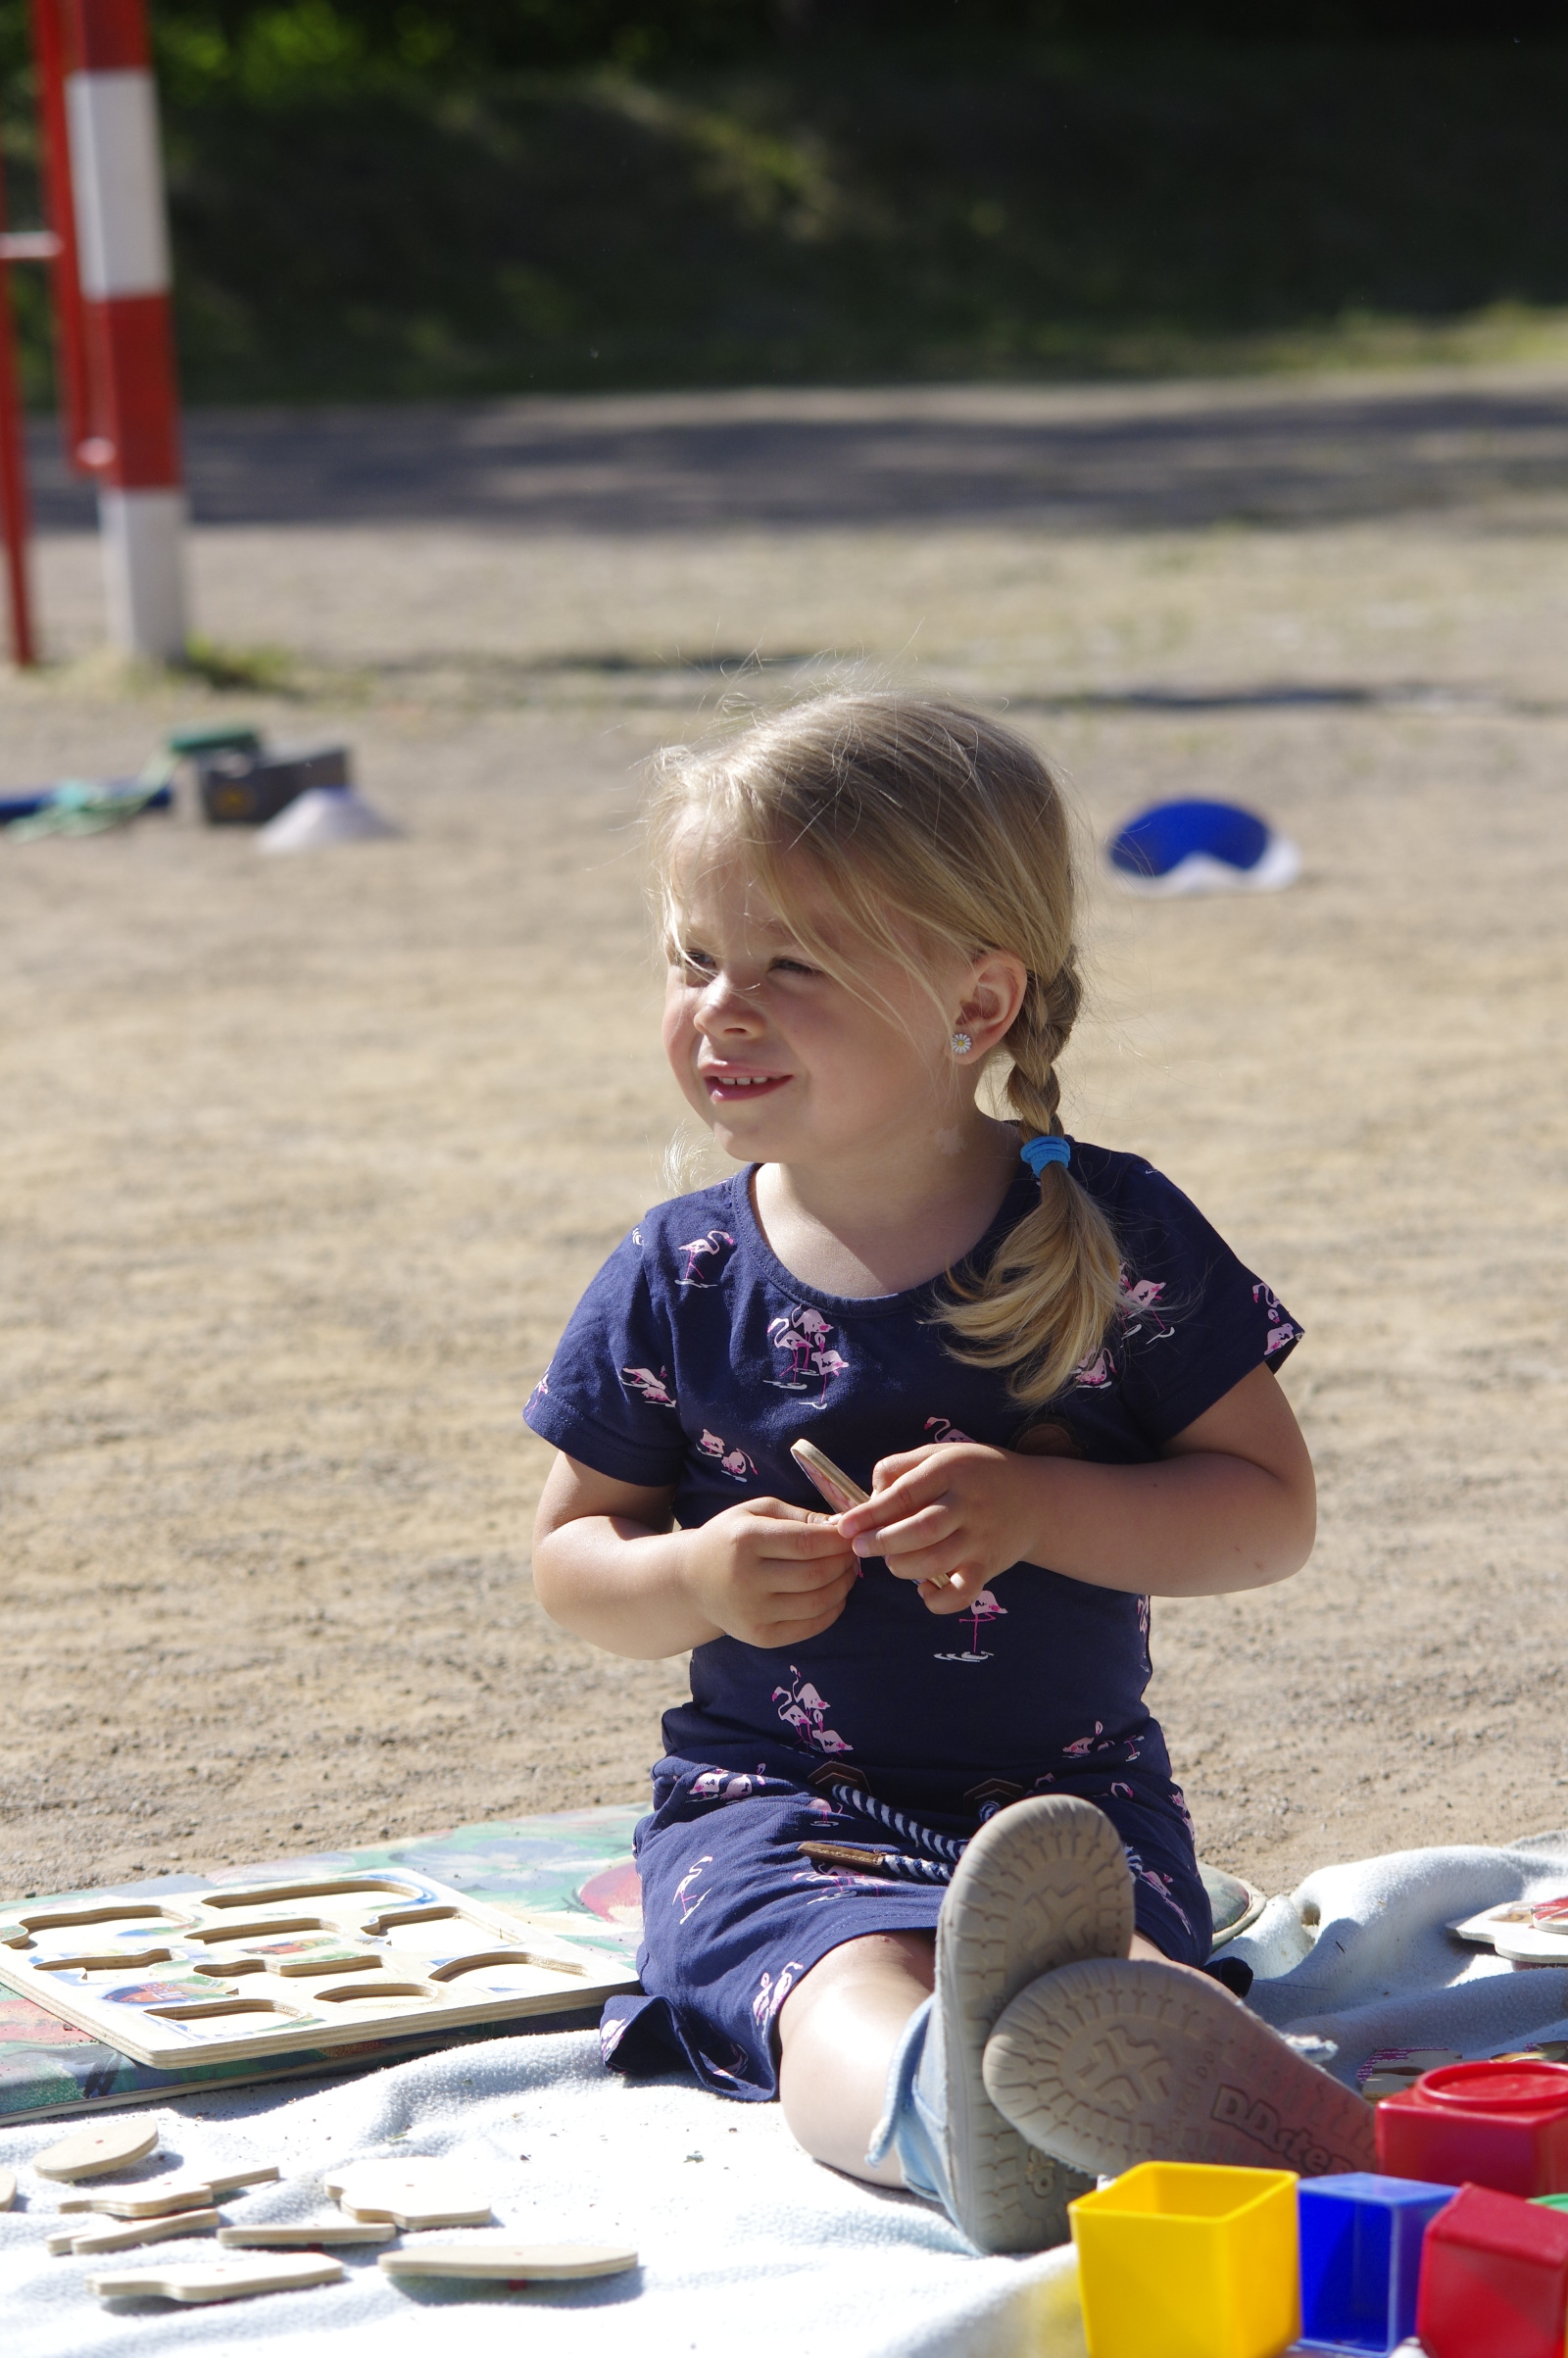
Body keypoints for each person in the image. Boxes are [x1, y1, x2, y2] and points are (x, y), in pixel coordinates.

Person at [526, 694, 1374, 2254]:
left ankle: (1210, 2096)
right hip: (774, 1804)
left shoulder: (1110, 1236)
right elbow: (574, 1556)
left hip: (1070, 1803)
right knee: (832, 1986)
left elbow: (1268, 1514)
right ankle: (942, 2116)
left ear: (977, 1002)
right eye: (694, 957)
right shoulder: (680, 1270)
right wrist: (697, 1575)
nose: (723, 1008)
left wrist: (1045, 1506)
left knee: (1109, 1978)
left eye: (794, 963)